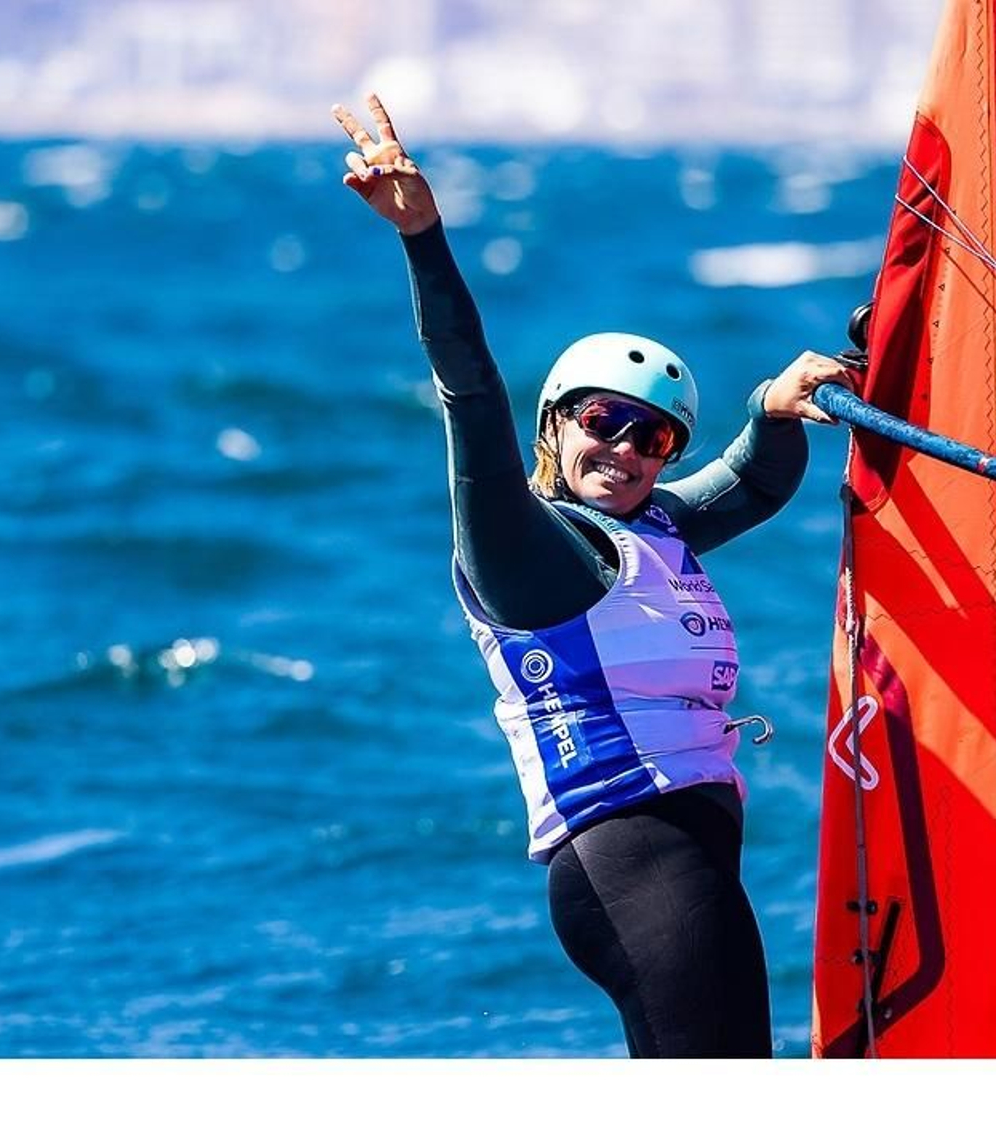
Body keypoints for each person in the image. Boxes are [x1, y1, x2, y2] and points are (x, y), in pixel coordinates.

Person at [332, 93, 857, 1058]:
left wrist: (778, 408)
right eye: (599, 420)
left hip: (690, 859)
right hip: (630, 862)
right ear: (556, 427)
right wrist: (424, 238)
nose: (623, 448)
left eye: (651, 434)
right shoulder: (527, 550)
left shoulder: (657, 524)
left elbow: (752, 484)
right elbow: (470, 398)